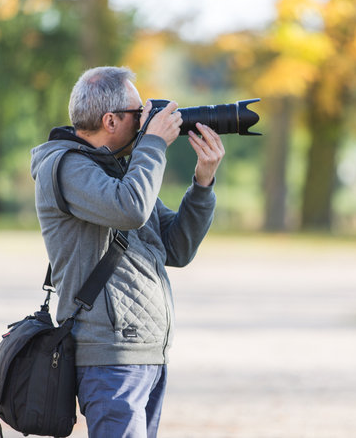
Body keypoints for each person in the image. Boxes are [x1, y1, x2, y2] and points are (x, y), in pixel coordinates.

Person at [30, 66, 224, 438]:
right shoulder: (66, 167)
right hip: (110, 356)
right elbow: (130, 210)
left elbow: (176, 247)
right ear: (111, 120)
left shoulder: (119, 171)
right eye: (140, 113)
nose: (147, 119)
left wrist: (203, 182)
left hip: (146, 352)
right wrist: (153, 144)